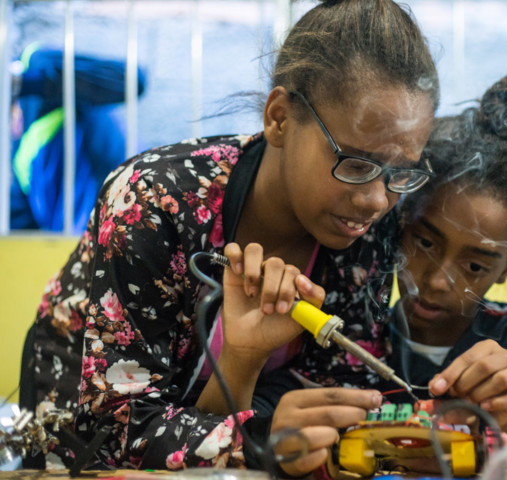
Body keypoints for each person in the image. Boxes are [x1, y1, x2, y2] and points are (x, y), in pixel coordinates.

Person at [22, 0, 438, 473]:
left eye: (401, 172)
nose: (377, 200)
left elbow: (342, 387)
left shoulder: (369, 229)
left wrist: (263, 401)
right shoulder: (154, 201)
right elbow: (113, 428)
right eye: (356, 165)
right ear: (279, 118)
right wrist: (261, 434)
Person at [376, 70, 507, 439]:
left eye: (474, 265)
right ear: (402, 222)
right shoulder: (354, 341)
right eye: (425, 243)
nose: (437, 281)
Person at [10, 45, 146, 232]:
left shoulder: (36, 64)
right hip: (84, 240)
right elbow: (22, 224)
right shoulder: (15, 154)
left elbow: (132, 81)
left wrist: (23, 82)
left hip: (131, 212)